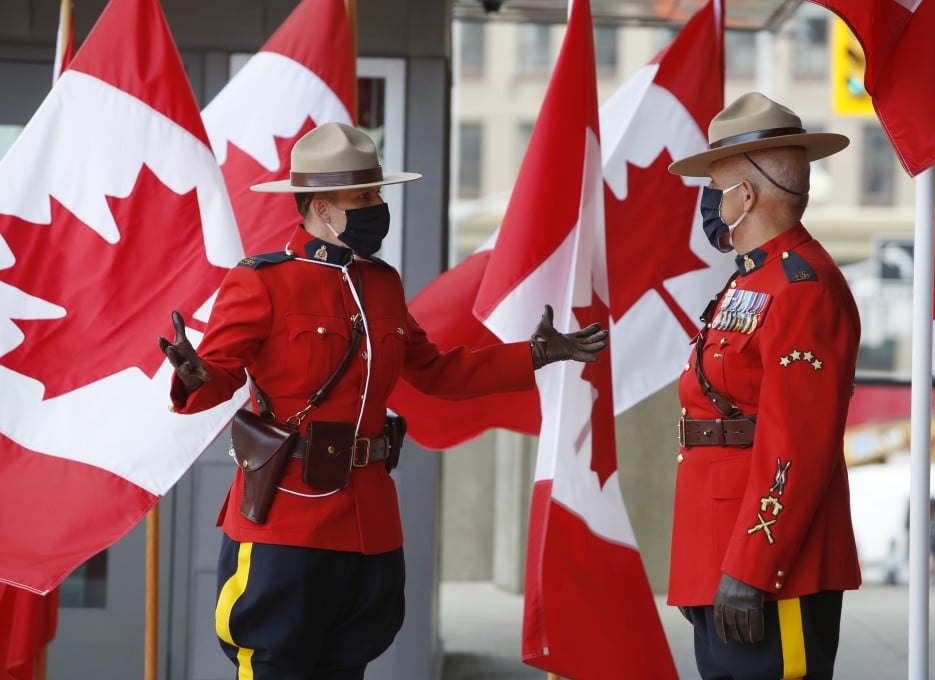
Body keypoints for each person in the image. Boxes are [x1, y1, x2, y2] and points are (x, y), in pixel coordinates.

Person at [157, 122, 608, 679]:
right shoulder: (261, 282)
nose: (377, 208)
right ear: (321, 207)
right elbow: (219, 376)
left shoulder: (382, 284)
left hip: (368, 519)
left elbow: (437, 372)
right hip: (289, 515)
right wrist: (196, 375)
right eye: (362, 197)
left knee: (348, 664)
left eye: (377, 194)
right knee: (274, 660)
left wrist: (533, 355)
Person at [665, 92, 862, 680]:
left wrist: (752, 567)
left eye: (714, 186)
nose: (708, 201)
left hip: (769, 563)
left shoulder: (802, 287)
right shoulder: (755, 279)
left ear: (745, 196)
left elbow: (796, 445)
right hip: (719, 545)